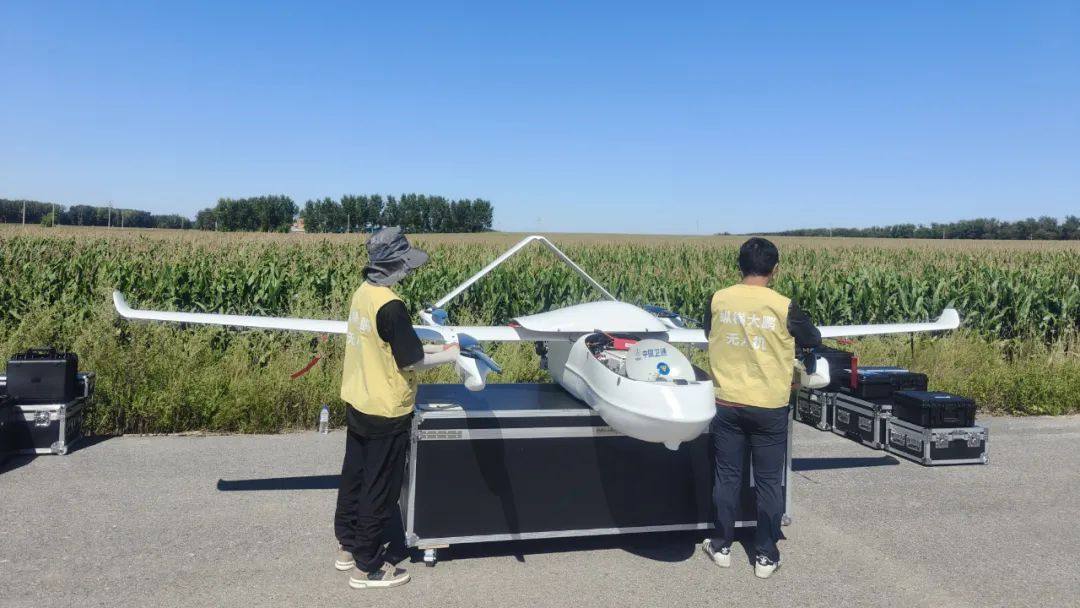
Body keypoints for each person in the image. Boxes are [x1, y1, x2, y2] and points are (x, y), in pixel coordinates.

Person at [333, 226, 459, 590]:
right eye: (405, 264)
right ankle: (368, 566)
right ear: (395, 265)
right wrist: (450, 353)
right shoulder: (392, 306)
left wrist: (427, 350)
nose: (409, 270)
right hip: (386, 409)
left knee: (355, 476)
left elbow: (386, 345)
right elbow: (412, 362)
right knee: (380, 486)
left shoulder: (364, 294)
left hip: (359, 397)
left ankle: (347, 545)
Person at [700, 237, 820, 579]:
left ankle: (721, 545)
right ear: (775, 269)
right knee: (769, 481)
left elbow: (709, 332)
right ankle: (766, 555)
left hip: (726, 401)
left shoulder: (719, 299)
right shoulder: (784, 306)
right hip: (769, 405)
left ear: (739, 266)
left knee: (727, 475)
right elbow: (812, 338)